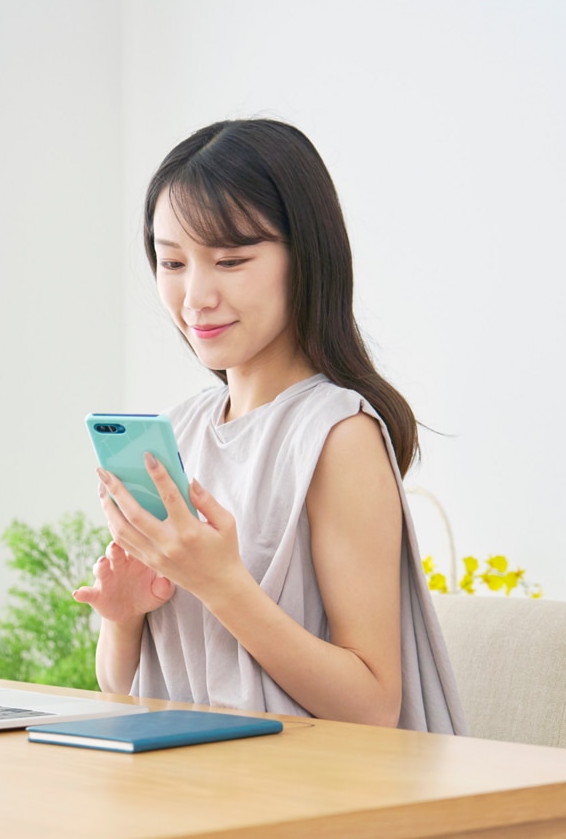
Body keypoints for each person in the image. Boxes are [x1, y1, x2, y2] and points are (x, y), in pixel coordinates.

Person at [72, 119, 465, 733]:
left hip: (309, 795)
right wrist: (124, 617)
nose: (194, 296)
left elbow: (373, 706)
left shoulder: (338, 435)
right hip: (196, 785)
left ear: (304, 258)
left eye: (230, 260)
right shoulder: (180, 431)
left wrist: (221, 584)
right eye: (172, 261)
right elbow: (123, 688)